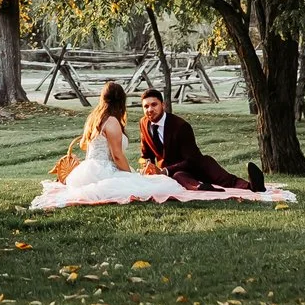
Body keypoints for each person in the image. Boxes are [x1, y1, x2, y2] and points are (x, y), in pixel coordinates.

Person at [30, 81, 214, 209]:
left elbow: (86, 146)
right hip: (103, 169)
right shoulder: (112, 121)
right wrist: (130, 174)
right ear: (121, 101)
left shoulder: (94, 117)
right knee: (157, 186)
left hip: (88, 169)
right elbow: (117, 156)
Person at [137, 87, 263, 193]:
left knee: (223, 178)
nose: (150, 110)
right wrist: (148, 166)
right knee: (179, 177)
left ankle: (253, 186)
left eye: (154, 105)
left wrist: (165, 170)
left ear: (163, 105)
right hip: (173, 174)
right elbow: (145, 154)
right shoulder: (143, 123)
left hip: (196, 164)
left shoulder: (180, 126)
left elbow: (192, 159)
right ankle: (202, 188)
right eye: (146, 106)